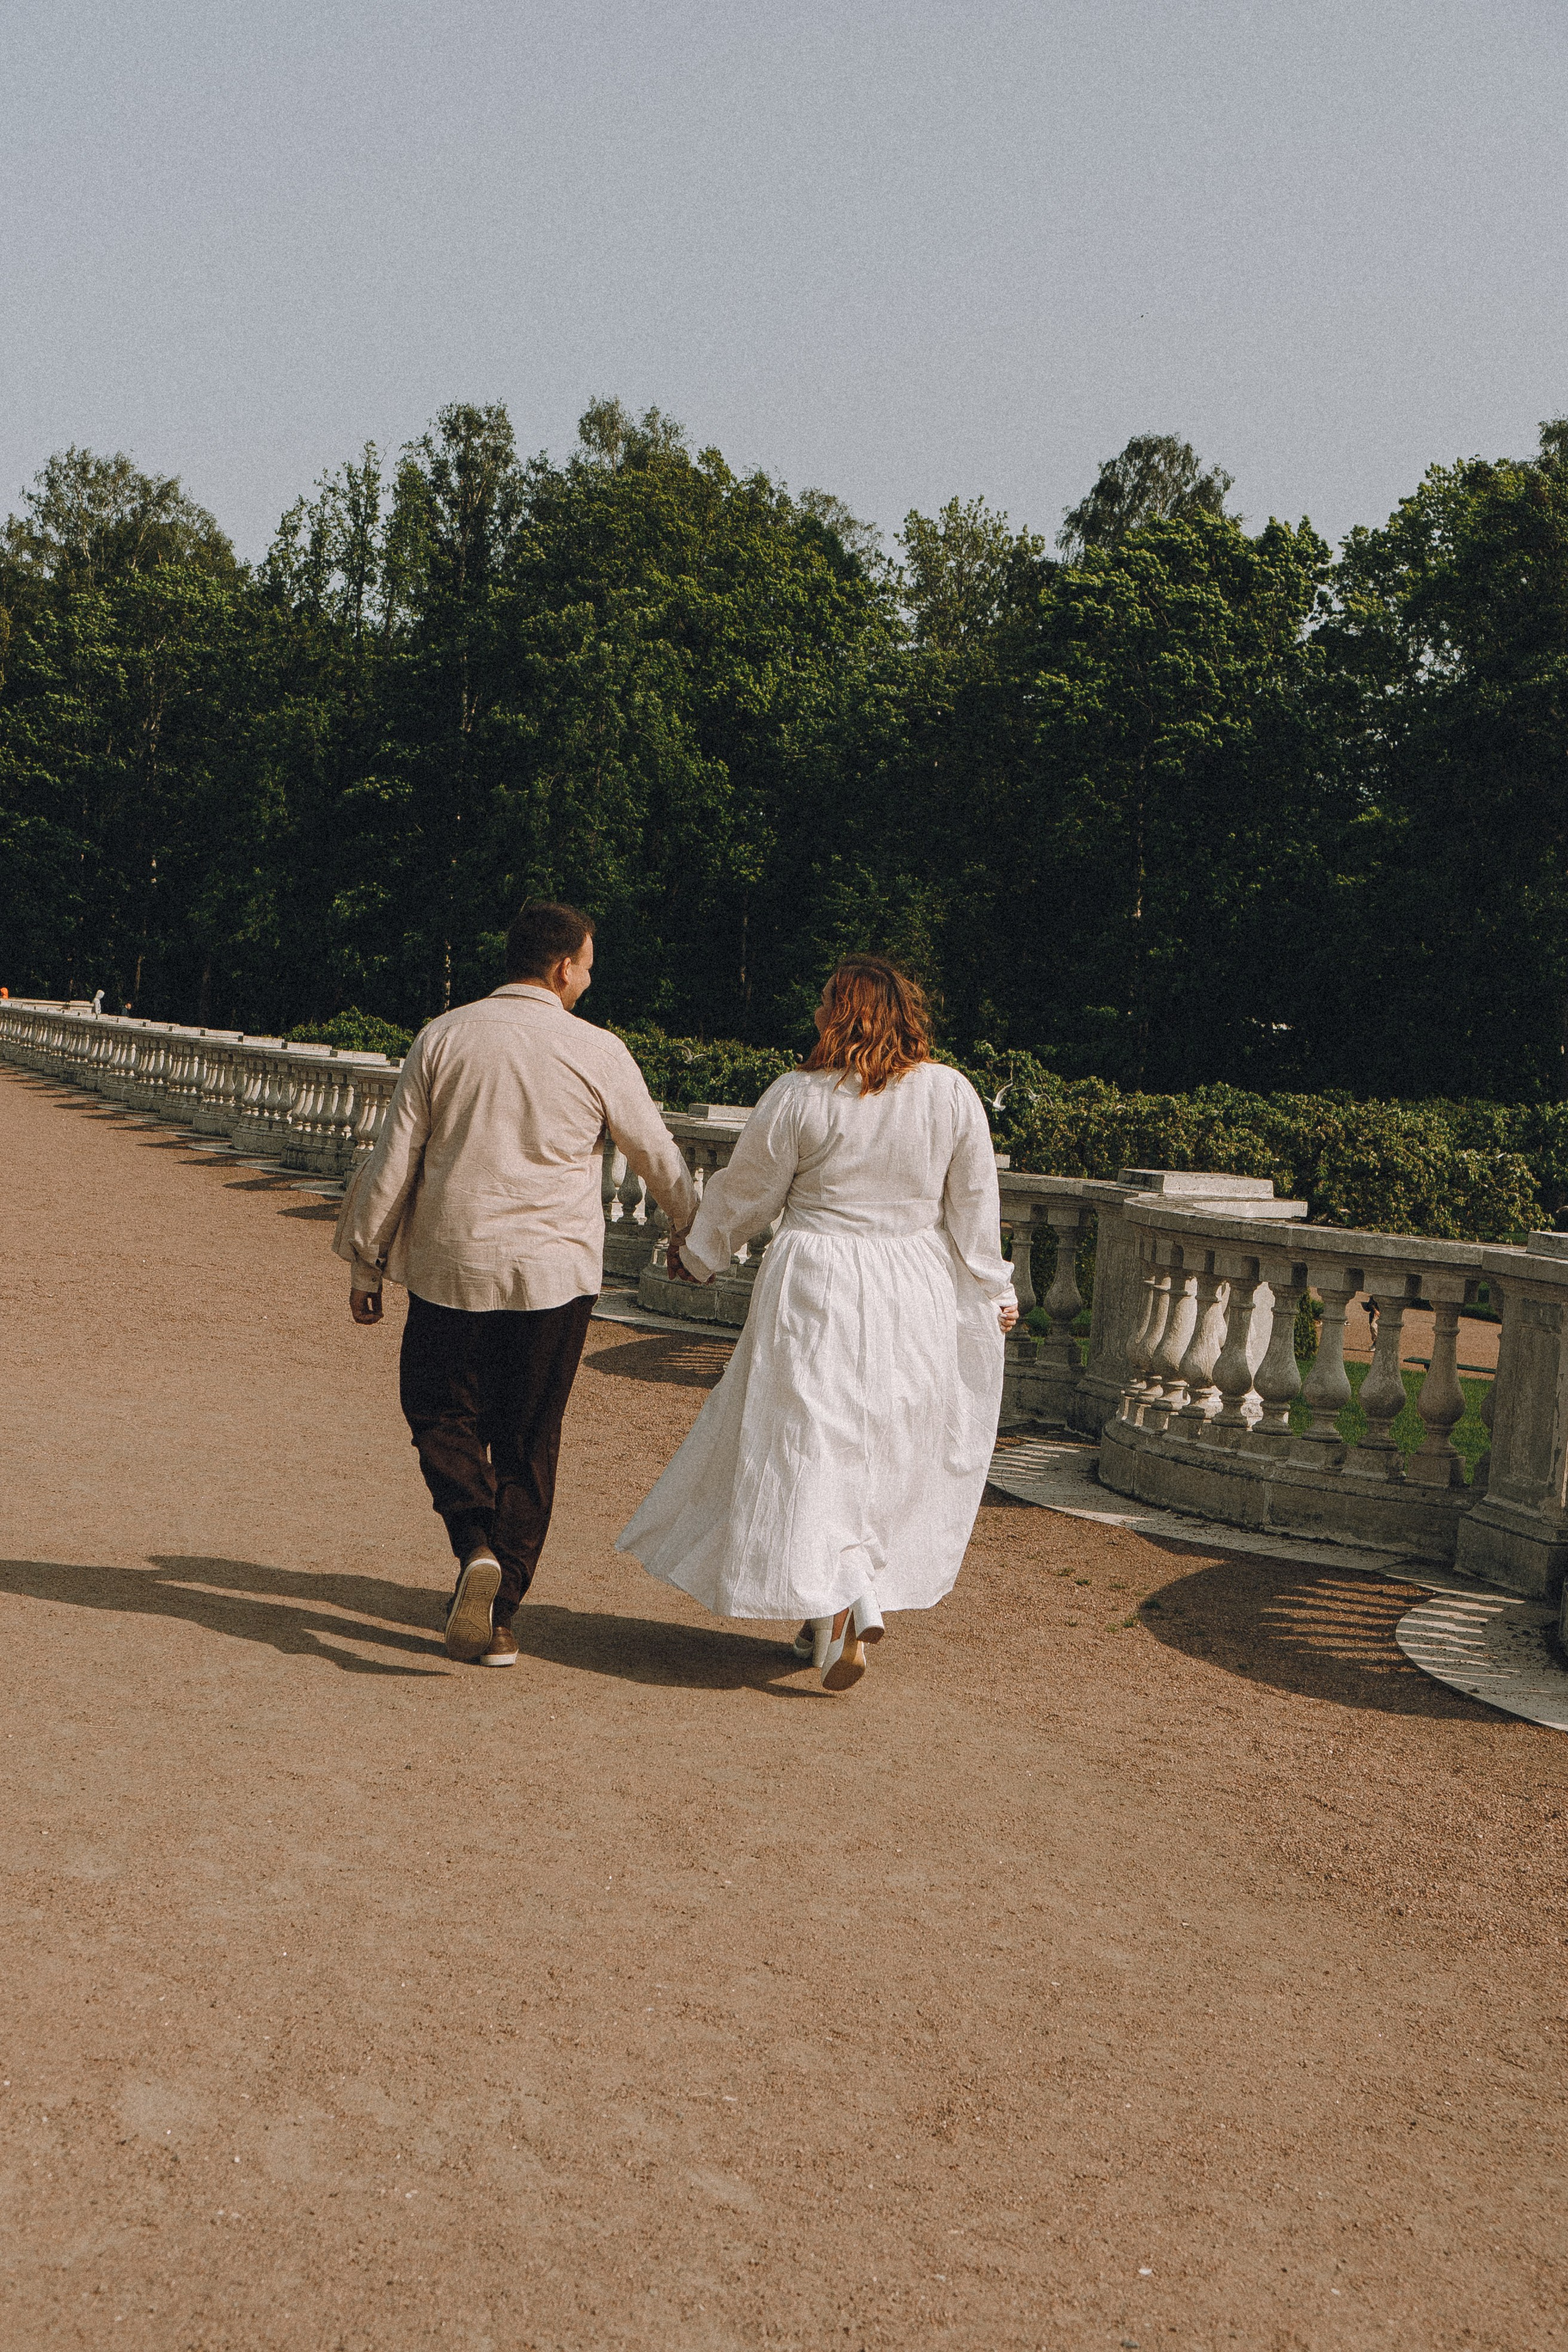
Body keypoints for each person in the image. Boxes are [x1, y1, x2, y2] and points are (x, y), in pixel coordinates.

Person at [616, 957, 1018, 1693]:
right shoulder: (950, 1094)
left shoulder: (798, 1097)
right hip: (912, 1282)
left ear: (840, 1013)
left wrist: (700, 1254)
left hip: (820, 1279)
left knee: (811, 1438)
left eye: (825, 1003)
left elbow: (748, 1193)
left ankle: (843, 1599)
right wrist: (993, 1287)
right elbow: (973, 1203)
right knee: (885, 1442)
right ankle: (848, 1595)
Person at [336, 901, 696, 1667]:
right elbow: (655, 1153)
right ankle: (501, 1615)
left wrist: (368, 1258)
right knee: (530, 1438)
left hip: (452, 1260)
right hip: (554, 1272)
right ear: (562, 967)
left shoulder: (445, 1035)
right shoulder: (597, 1050)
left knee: (439, 1410)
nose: (590, 979)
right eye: (589, 965)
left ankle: (473, 1543)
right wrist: (690, 1230)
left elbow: (394, 1156)